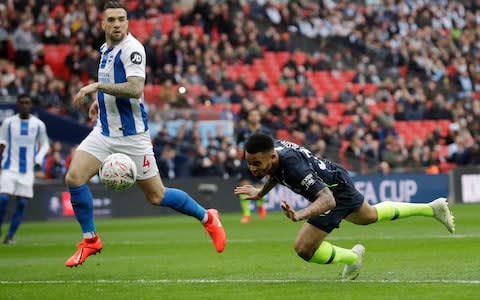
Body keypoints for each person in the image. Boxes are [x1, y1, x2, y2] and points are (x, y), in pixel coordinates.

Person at [64, 1, 226, 268]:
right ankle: (90, 240)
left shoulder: (133, 49)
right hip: (104, 131)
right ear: (103, 24)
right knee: (74, 177)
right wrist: (101, 101)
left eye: (122, 19)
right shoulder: (105, 49)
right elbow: (116, 86)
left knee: (156, 196)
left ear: (127, 22)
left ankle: (208, 218)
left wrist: (96, 87)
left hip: (132, 137)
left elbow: (135, 88)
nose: (117, 24)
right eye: (112, 20)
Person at [234, 133, 455, 280]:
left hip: (333, 190)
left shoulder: (293, 168)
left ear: (272, 157)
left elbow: (328, 200)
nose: (252, 169)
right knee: (369, 215)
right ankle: (432, 208)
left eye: (256, 164)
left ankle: (351, 258)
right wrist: (261, 192)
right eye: (249, 163)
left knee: (304, 248)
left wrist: (300, 214)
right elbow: (275, 172)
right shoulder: (272, 152)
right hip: (333, 176)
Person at [0, 94, 50, 244]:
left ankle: (9, 236)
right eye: (21, 102)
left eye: (27, 103)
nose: (24, 105)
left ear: (31, 105)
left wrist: (39, 159)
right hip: (9, 168)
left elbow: (45, 144)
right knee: (3, 200)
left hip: (27, 170)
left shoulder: (38, 125)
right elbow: (1, 140)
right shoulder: (8, 123)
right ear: (17, 104)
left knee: (22, 204)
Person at [235, 109, 271, 223]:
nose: (254, 117)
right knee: (244, 186)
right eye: (252, 115)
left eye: (256, 115)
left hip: (261, 163)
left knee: (261, 186)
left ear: (259, 117)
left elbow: (271, 146)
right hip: (245, 162)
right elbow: (237, 144)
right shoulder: (243, 131)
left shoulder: (265, 131)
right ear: (249, 117)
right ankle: (246, 214)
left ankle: (261, 207)